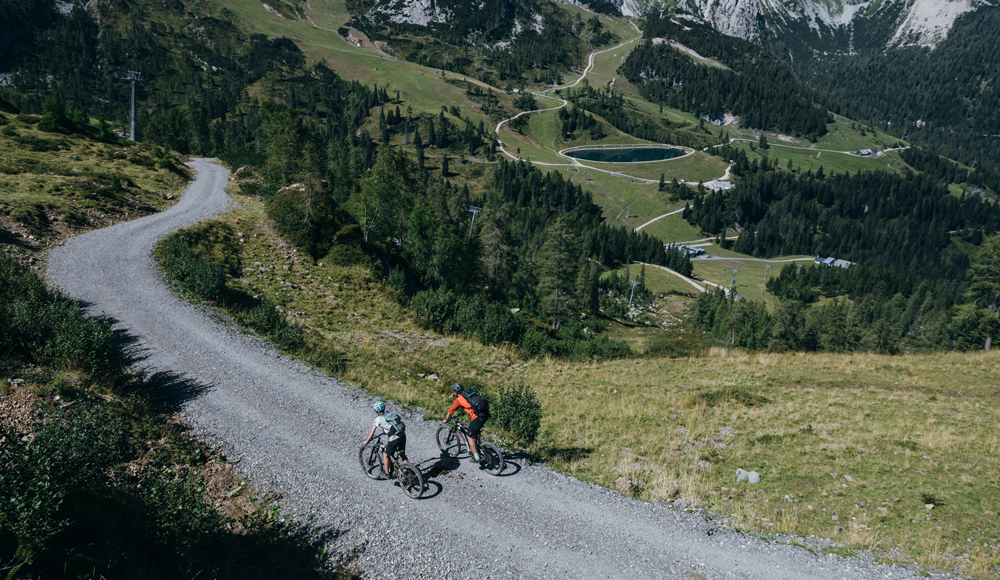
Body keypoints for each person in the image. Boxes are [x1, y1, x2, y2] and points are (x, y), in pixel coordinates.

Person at [444, 383, 487, 463]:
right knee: (476, 430)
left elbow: (450, 412)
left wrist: (446, 420)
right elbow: (471, 406)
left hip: (477, 417)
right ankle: (478, 446)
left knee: (469, 436)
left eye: (454, 391)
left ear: (456, 392)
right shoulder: (469, 394)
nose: (454, 393)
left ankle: (476, 457)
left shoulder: (459, 400)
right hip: (485, 413)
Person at [363, 401, 407, 476]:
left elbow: (372, 433)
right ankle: (408, 471)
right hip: (402, 435)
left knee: (386, 454)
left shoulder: (378, 419)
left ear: (376, 411)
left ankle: (387, 473)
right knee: (402, 454)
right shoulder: (390, 414)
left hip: (394, 438)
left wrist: (367, 442)